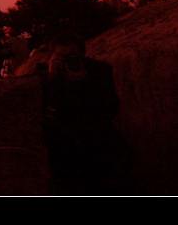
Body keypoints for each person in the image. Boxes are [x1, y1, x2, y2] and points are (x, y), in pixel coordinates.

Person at [42, 34, 127, 194]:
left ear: (82, 54)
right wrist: (52, 79)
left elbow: (111, 108)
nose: (68, 61)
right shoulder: (49, 77)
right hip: (65, 144)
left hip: (98, 139)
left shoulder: (99, 71)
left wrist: (84, 85)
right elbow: (49, 112)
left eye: (72, 56)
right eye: (62, 56)